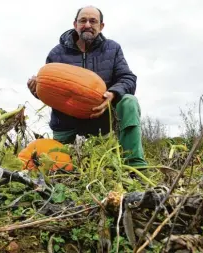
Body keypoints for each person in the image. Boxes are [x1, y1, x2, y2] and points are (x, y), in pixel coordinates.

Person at [27, 5, 148, 168]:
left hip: (101, 117)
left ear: (101, 26)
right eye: (83, 20)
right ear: (75, 24)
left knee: (129, 101)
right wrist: (37, 90)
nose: (88, 25)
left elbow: (128, 78)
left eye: (93, 21)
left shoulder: (112, 49)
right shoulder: (56, 54)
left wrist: (112, 93)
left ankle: (135, 165)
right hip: (66, 121)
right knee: (58, 168)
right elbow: (51, 90)